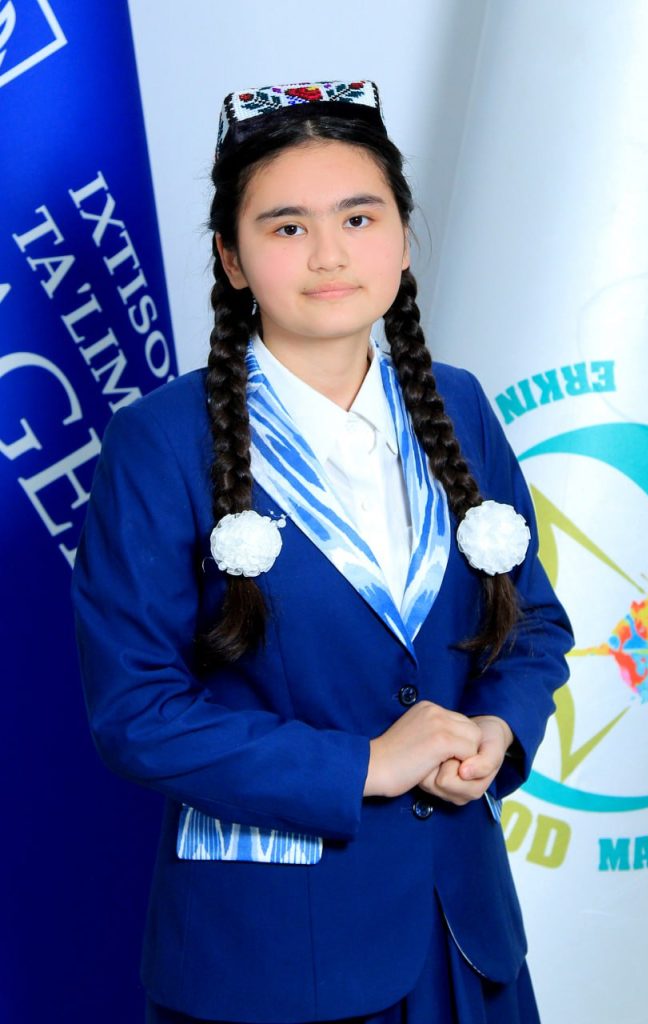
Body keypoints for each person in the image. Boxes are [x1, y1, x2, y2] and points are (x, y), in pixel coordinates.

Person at [72, 80, 573, 1024]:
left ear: (403, 236)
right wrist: (364, 765)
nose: (331, 253)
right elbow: (135, 711)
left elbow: (533, 622)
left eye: (359, 215)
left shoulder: (458, 406)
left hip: (465, 939)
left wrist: (498, 729)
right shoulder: (161, 441)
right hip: (266, 959)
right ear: (230, 257)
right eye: (287, 226)